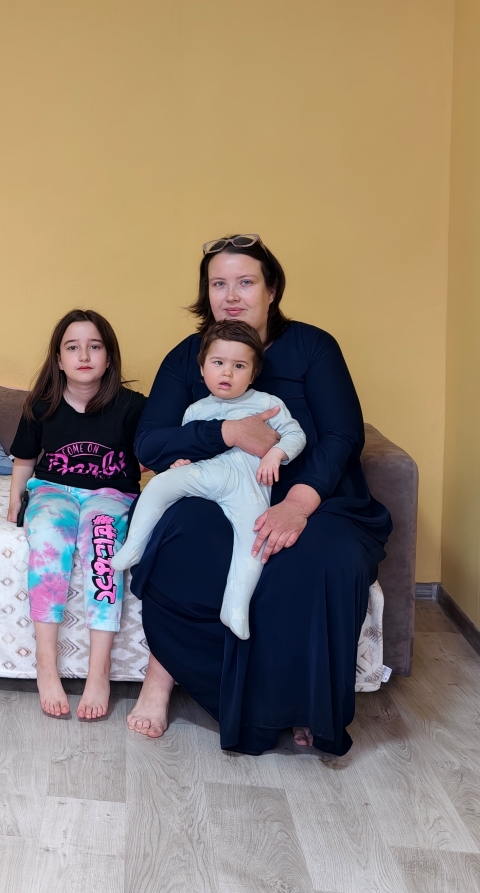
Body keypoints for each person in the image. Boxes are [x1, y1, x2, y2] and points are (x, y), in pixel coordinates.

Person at [122, 235, 390, 754]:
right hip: (219, 491)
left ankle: (303, 704)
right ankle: (162, 679)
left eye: (245, 282)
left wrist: (299, 503)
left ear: (272, 290)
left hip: (315, 497)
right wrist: (226, 433)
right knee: (182, 536)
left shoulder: (314, 347)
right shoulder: (189, 356)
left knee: (322, 559)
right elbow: (150, 442)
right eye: (218, 283)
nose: (231, 295)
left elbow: (343, 434)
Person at [112, 320, 304, 640]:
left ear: (253, 373)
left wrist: (276, 454)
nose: (227, 372)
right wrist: (181, 464)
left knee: (254, 542)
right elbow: (190, 448)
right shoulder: (196, 410)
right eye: (218, 363)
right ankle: (134, 545)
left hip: (249, 487)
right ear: (202, 370)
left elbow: (296, 435)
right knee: (160, 485)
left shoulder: (267, 404)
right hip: (207, 475)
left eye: (239, 366)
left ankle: (235, 605)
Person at [5, 310, 147, 721]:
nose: (84, 356)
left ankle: (98, 671)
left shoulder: (134, 406)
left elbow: (153, 455)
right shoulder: (41, 405)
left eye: (94, 346)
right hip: (53, 490)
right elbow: (25, 459)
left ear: (109, 355)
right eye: (72, 347)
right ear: (59, 358)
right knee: (49, 539)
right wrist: (15, 500)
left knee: (103, 548)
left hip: (111, 495)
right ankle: (46, 665)